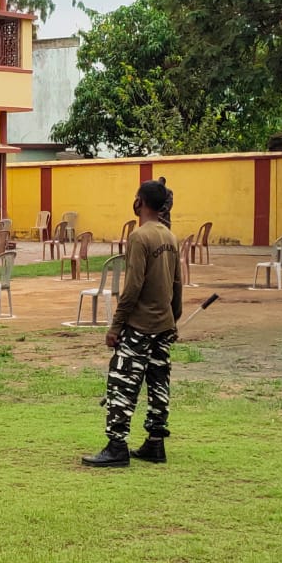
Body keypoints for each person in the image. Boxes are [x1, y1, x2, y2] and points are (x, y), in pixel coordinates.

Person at [83, 180, 184, 467]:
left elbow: (133, 286)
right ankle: (155, 442)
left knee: (122, 383)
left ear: (139, 202)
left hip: (140, 326)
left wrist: (116, 326)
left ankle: (117, 445)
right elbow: (178, 283)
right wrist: (173, 319)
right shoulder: (170, 237)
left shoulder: (139, 237)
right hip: (164, 325)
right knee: (158, 383)